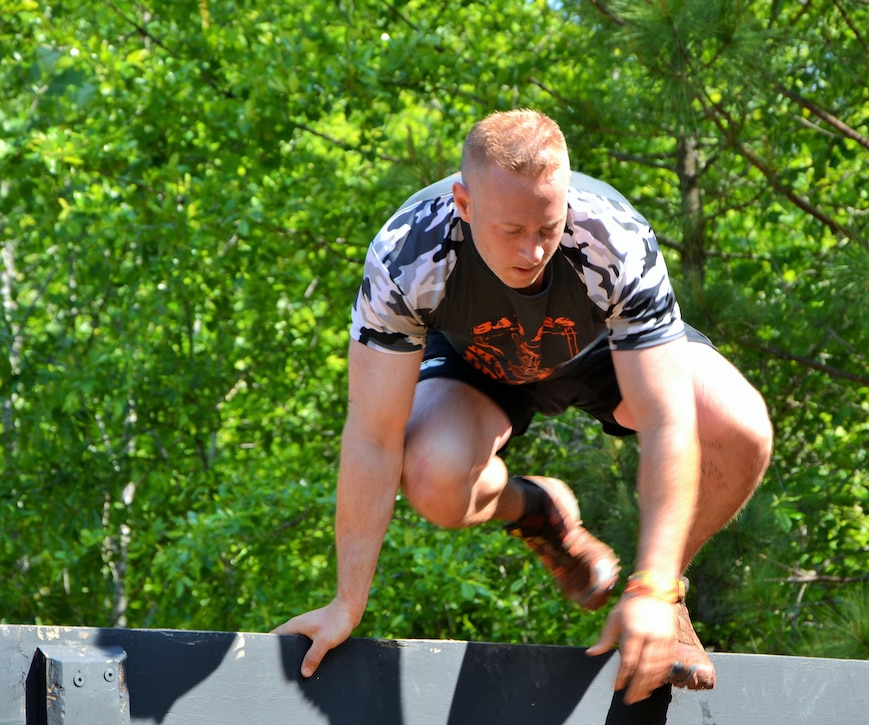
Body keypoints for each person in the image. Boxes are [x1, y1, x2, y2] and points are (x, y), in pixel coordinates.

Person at [274, 109, 772, 705]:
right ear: (464, 203)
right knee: (433, 477)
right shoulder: (409, 255)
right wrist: (346, 602)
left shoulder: (613, 236)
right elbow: (372, 436)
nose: (533, 250)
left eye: (547, 226)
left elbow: (667, 421)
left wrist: (655, 587)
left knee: (740, 427)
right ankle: (535, 509)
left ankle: (665, 598)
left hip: (604, 353)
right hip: (481, 362)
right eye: (511, 230)